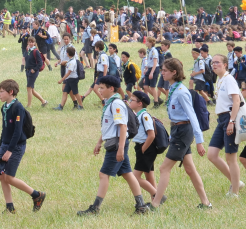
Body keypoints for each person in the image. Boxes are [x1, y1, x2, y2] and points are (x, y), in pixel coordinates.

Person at [77, 76, 148, 215]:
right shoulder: (110, 103)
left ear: (111, 88)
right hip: (114, 142)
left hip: (116, 144)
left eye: (102, 87)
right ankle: (141, 206)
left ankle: (95, 208)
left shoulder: (116, 104)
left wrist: (121, 148)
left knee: (103, 174)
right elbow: (108, 127)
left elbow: (122, 126)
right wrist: (99, 142)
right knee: (128, 174)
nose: (99, 89)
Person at [148, 58, 211, 210]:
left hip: (184, 131)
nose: (161, 73)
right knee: (189, 169)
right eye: (162, 70)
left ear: (174, 72)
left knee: (164, 168)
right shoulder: (173, 89)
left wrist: (199, 141)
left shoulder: (181, 92)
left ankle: (155, 204)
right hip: (177, 130)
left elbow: (192, 116)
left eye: (165, 71)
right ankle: (205, 203)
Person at [0, 79, 45, 213]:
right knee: (1, 175)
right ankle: (9, 207)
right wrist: (0, 147)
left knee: (9, 177)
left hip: (16, 147)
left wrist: (10, 151)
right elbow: (4, 129)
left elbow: (17, 132)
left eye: (1, 92)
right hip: (5, 144)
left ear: (10, 92)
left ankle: (36, 195)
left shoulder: (18, 107)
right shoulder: (4, 107)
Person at [207, 54, 243, 197]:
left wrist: (232, 121)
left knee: (230, 157)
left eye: (217, 62)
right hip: (221, 119)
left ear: (225, 64)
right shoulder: (220, 80)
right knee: (212, 154)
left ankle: (235, 191)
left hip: (229, 118)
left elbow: (236, 101)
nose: (214, 65)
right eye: (212, 63)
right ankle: (237, 182)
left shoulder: (229, 80)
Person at [128, 91, 160, 199]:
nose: (129, 102)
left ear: (139, 103)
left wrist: (143, 149)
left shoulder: (145, 116)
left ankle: (157, 195)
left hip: (146, 148)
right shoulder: (137, 115)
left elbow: (151, 135)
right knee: (149, 175)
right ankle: (155, 202)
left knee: (135, 177)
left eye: (131, 100)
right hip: (141, 147)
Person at [55, 46, 83, 111]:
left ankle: (81, 106)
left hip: (73, 79)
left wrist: (61, 80)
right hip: (69, 79)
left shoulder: (72, 62)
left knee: (75, 93)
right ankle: (61, 106)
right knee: (65, 92)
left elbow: (68, 73)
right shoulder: (70, 61)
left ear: (67, 54)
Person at [22, 37, 47, 108]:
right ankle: (43, 101)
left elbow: (40, 63)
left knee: (29, 88)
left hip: (33, 72)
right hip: (27, 70)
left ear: (34, 43)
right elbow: (25, 59)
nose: (31, 43)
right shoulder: (27, 50)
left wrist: (35, 69)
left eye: (32, 42)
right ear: (28, 43)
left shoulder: (36, 51)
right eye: (29, 42)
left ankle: (29, 105)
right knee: (32, 90)